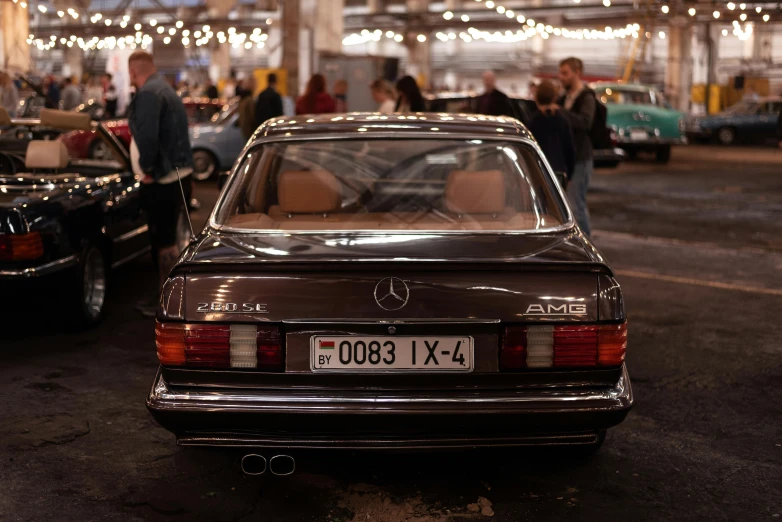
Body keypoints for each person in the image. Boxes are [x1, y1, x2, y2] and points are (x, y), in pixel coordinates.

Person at [126, 51, 194, 317]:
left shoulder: (147, 95)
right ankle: (172, 298)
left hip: (162, 178)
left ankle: (166, 302)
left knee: (163, 240)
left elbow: (148, 138)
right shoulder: (166, 89)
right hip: (178, 174)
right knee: (171, 239)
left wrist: (148, 170)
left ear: (133, 72)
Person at [557, 57, 596, 236]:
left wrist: (560, 112)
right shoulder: (565, 97)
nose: (561, 77)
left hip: (580, 158)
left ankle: (587, 252)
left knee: (576, 205)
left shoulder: (586, 97)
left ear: (577, 73)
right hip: (567, 158)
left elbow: (585, 122)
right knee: (568, 206)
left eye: (565, 73)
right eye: (560, 73)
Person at [526, 80, 575, 189]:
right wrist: (570, 174)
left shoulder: (532, 121)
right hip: (559, 172)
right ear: (554, 98)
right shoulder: (562, 120)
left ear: (536, 98)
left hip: (539, 170)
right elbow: (569, 149)